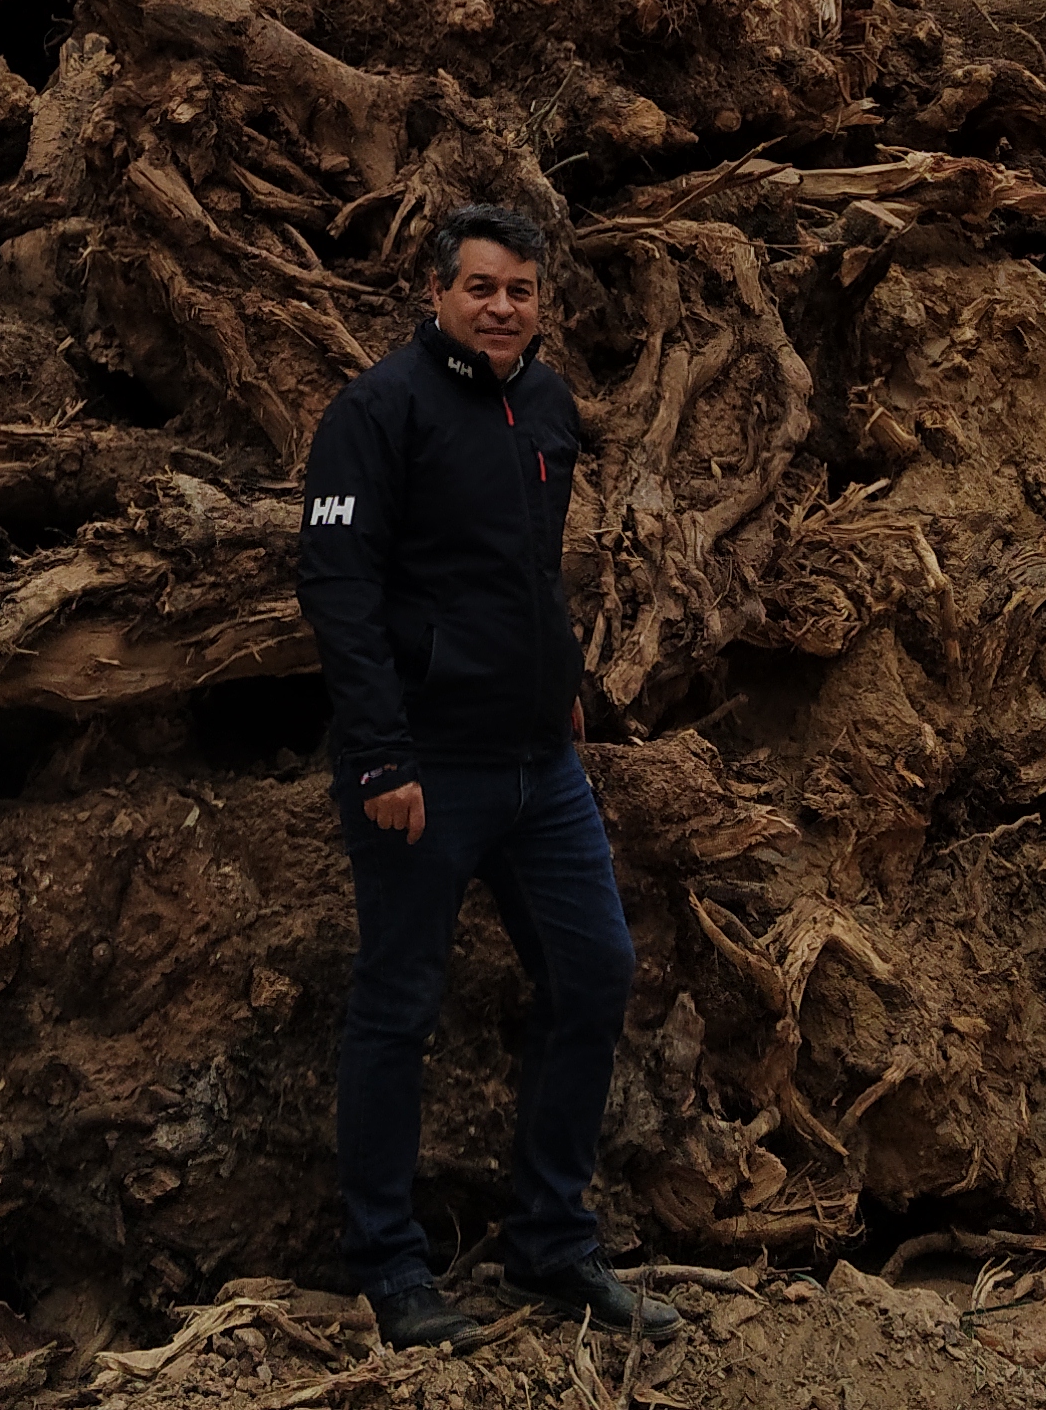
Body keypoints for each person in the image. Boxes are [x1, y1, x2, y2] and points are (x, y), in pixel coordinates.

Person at [296, 204, 680, 1352]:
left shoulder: (547, 404)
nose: (501, 306)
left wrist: (557, 679)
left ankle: (551, 1243)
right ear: (437, 292)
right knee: (396, 1011)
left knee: (595, 972)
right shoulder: (375, 411)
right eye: (480, 287)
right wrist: (378, 754)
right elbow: (338, 589)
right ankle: (389, 1265)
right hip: (422, 769)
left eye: (518, 289)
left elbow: (528, 570)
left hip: (538, 767)